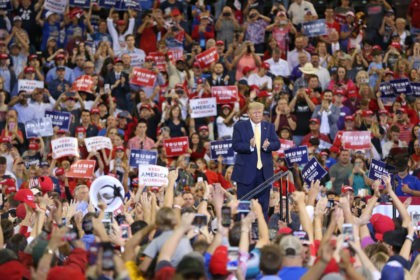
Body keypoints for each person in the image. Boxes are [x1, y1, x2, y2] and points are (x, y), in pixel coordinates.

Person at [232, 102, 280, 218]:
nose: (258, 115)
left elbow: (277, 144)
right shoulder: (240, 126)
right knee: (243, 205)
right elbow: (236, 145)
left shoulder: (269, 127)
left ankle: (262, 230)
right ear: (249, 113)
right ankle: (242, 230)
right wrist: (249, 146)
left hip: (264, 173)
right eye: (255, 113)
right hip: (245, 173)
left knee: (263, 206)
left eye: (260, 112)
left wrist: (268, 146)